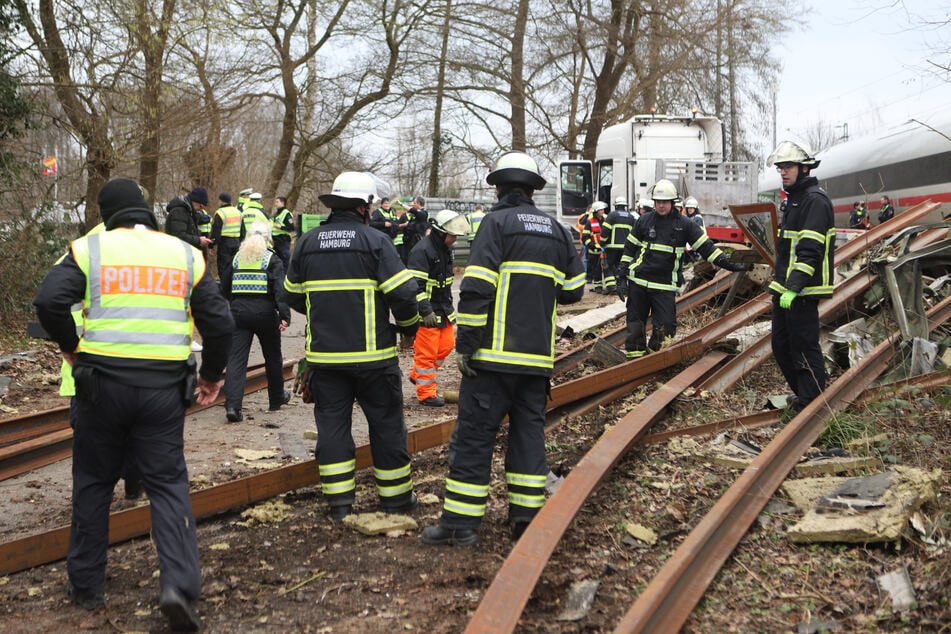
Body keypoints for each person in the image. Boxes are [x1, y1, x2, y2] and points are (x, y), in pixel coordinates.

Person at [33, 177, 233, 631]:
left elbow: (48, 301)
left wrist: (71, 347)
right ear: (145, 210)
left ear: (106, 215)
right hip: (163, 391)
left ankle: (86, 586)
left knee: (93, 481)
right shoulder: (183, 253)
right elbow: (219, 324)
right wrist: (212, 376)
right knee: (166, 483)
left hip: (100, 386)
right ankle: (178, 587)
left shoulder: (90, 250)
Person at [421, 151, 585, 547]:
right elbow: (574, 290)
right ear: (532, 189)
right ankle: (526, 519)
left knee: (475, 437)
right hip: (535, 362)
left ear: (498, 187)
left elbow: (476, 289)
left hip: (491, 361)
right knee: (528, 435)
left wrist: (466, 346)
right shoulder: (558, 230)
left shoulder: (495, 224)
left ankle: (461, 526)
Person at [284, 171, 420, 521]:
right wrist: (407, 328)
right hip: (374, 360)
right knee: (387, 426)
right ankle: (396, 501)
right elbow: (404, 294)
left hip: (325, 362)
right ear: (364, 207)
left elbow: (292, 296)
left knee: (332, 430)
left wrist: (325, 308)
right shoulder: (376, 242)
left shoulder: (308, 243)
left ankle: (340, 504)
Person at [616, 178, 750, 359]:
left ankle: (655, 361)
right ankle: (634, 363)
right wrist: (621, 276)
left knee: (666, 330)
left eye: (664, 202)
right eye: (658, 202)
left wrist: (730, 265)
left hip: (664, 286)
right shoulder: (644, 221)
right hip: (638, 282)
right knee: (634, 326)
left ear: (673, 202)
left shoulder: (684, 225)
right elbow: (629, 249)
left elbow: (706, 248)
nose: (661, 206)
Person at [766, 140, 835, 412]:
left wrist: (794, 287)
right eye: (780, 168)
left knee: (804, 345)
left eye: (788, 167)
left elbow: (810, 251)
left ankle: (812, 399)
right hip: (786, 289)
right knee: (781, 344)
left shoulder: (814, 202)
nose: (783, 172)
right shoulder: (794, 201)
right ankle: (804, 394)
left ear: (804, 168)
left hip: (804, 290)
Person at [221, 220, 291, 422]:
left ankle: (233, 406)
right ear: (267, 238)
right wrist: (285, 315)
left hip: (238, 314)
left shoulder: (237, 259)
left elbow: (224, 288)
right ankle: (276, 399)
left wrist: (235, 302)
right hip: (265, 314)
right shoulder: (271, 259)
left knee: (236, 360)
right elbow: (280, 291)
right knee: (273, 357)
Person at [407, 209, 469, 407]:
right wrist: (425, 311)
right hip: (428, 311)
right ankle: (426, 394)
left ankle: (417, 374)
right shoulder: (421, 251)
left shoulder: (444, 250)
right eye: (453, 235)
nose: (455, 239)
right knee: (427, 352)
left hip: (443, 308)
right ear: (440, 232)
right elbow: (415, 286)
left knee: (447, 345)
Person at [602, 199, 637, 294]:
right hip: (626, 248)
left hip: (612, 247)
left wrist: (602, 242)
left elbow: (605, 230)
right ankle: (622, 287)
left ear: (616, 206)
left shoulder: (612, 215)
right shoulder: (631, 217)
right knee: (622, 267)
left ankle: (611, 287)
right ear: (625, 206)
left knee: (608, 266)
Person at [164, 187, 213, 254]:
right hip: (177, 255)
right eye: (200, 206)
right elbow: (179, 236)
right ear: (194, 201)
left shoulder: (189, 212)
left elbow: (189, 231)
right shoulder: (179, 212)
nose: (201, 209)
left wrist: (200, 238)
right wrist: (199, 240)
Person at [209, 192, 242, 280]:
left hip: (225, 243)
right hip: (237, 242)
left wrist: (211, 245)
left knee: (224, 266)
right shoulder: (238, 212)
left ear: (221, 201)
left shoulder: (220, 213)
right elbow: (243, 231)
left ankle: (224, 288)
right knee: (235, 265)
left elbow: (216, 231)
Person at [582, 201, 608, 293]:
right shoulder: (590, 221)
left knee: (607, 268)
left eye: (603, 209)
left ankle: (609, 286)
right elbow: (585, 237)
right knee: (596, 270)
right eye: (601, 209)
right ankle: (598, 287)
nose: (603, 211)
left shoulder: (606, 219)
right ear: (596, 211)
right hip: (594, 251)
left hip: (605, 249)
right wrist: (591, 245)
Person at [402, 196, 430, 263]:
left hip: (417, 240)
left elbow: (413, 211)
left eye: (414, 203)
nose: (413, 205)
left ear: (418, 204)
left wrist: (401, 204)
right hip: (410, 240)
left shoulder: (423, 213)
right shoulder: (415, 215)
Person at [271, 196, 295, 270]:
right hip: (276, 242)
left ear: (282, 203)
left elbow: (292, 228)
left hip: (283, 241)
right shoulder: (276, 214)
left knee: (285, 260)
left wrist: (281, 227)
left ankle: (285, 276)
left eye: (277, 202)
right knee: (276, 261)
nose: (275, 204)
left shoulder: (286, 214)